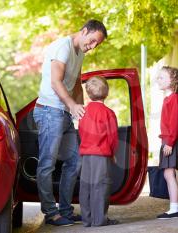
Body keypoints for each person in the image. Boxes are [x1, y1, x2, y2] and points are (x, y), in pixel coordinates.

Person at [33, 20, 107, 226]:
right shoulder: (62, 47)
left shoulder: (79, 53)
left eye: (96, 45)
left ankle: (65, 210)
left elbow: (75, 82)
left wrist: (82, 110)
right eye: (92, 41)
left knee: (75, 161)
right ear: (83, 31)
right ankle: (50, 212)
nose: (92, 47)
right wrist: (72, 106)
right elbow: (55, 81)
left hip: (63, 113)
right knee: (47, 163)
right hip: (49, 111)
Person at [78, 76, 119, 227]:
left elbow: (81, 131)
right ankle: (100, 220)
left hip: (86, 154)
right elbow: (113, 136)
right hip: (101, 154)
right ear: (107, 92)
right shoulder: (108, 113)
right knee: (100, 186)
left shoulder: (83, 111)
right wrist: (113, 152)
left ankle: (87, 220)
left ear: (88, 94)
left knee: (86, 186)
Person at [155, 66, 178, 219]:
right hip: (169, 141)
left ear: (172, 80)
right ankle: (173, 208)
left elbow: (176, 122)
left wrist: (169, 142)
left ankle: (174, 209)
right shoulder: (169, 98)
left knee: (169, 174)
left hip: (171, 141)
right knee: (169, 174)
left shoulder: (174, 98)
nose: (158, 80)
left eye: (161, 77)